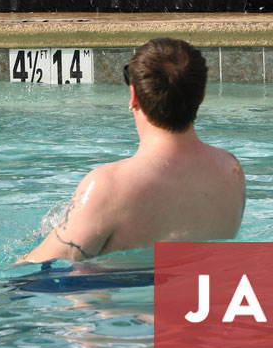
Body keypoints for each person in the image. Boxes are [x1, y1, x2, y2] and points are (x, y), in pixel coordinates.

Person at [20, 38, 244, 262]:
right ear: (202, 96)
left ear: (133, 95)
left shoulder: (108, 186)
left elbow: (30, 271)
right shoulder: (230, 170)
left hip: (122, 297)